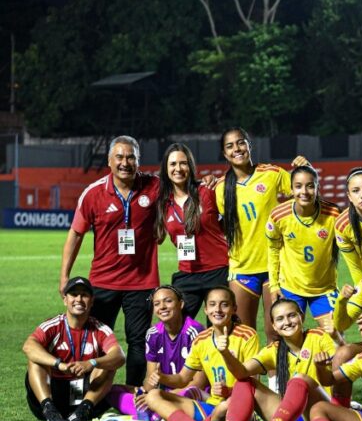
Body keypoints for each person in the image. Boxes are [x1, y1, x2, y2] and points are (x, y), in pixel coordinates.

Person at [60, 135, 160, 387]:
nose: (125, 162)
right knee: (95, 341)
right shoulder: (93, 193)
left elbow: (185, 190)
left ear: (139, 160)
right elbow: (75, 234)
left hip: (142, 283)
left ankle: (133, 394)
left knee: (137, 341)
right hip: (103, 282)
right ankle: (87, 395)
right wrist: (64, 276)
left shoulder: (155, 186)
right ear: (109, 161)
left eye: (130, 157)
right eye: (119, 157)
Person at [194, 298, 337, 421]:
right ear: (274, 326)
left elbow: (340, 372)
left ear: (301, 317)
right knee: (244, 382)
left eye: (291, 316)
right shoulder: (274, 350)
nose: (287, 322)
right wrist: (225, 353)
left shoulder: (320, 337)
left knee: (300, 379)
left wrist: (336, 340)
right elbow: (241, 372)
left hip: (321, 418)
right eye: (280, 319)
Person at [214, 127, 306, 341]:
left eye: (240, 142)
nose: (237, 148)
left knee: (275, 331)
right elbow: (217, 225)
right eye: (230, 146)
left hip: (275, 266)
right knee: (243, 334)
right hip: (242, 268)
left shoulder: (271, 174)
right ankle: (247, 376)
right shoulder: (220, 188)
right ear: (224, 154)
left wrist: (306, 169)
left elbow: (304, 193)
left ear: (249, 145)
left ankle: (277, 376)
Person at [144, 286, 260, 421]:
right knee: (153, 395)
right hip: (212, 406)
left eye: (224, 304)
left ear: (234, 309)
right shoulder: (201, 339)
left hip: (238, 407)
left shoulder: (247, 335)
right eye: (212, 305)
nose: (217, 310)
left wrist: (229, 391)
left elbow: (253, 382)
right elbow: (183, 378)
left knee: (224, 405)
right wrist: (163, 377)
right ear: (205, 310)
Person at [23, 277, 125, 421]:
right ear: (65, 300)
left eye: (84, 295)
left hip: (79, 394)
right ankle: (50, 411)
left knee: (108, 363)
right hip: (51, 392)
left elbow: (119, 356)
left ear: (91, 301)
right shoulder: (53, 325)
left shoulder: (99, 329)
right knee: (35, 359)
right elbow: (29, 346)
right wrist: (59, 364)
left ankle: (81, 413)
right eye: (74, 295)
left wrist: (92, 363)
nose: (79, 299)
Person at [105, 285, 206, 421]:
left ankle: (154, 413)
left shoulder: (195, 331)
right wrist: (144, 391)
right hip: (161, 394)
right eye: (157, 304)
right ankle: (159, 412)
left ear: (181, 304)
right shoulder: (153, 334)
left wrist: (158, 397)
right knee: (112, 390)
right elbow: (150, 381)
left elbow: (199, 383)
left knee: (191, 391)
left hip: (187, 394)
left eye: (168, 301)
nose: (162, 307)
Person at [155, 143, 229, 318]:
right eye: (173, 164)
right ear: (166, 169)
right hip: (187, 273)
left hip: (218, 271)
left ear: (191, 166)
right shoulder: (163, 203)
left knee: (220, 328)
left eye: (183, 163)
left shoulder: (207, 191)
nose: (178, 168)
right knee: (176, 323)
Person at [267, 165, 343, 331]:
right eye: (298, 186)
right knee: (291, 338)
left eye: (310, 185)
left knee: (335, 337)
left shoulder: (334, 214)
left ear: (317, 187)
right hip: (291, 288)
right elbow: (273, 250)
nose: (304, 191)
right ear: (291, 189)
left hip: (324, 289)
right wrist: (274, 285)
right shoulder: (278, 215)